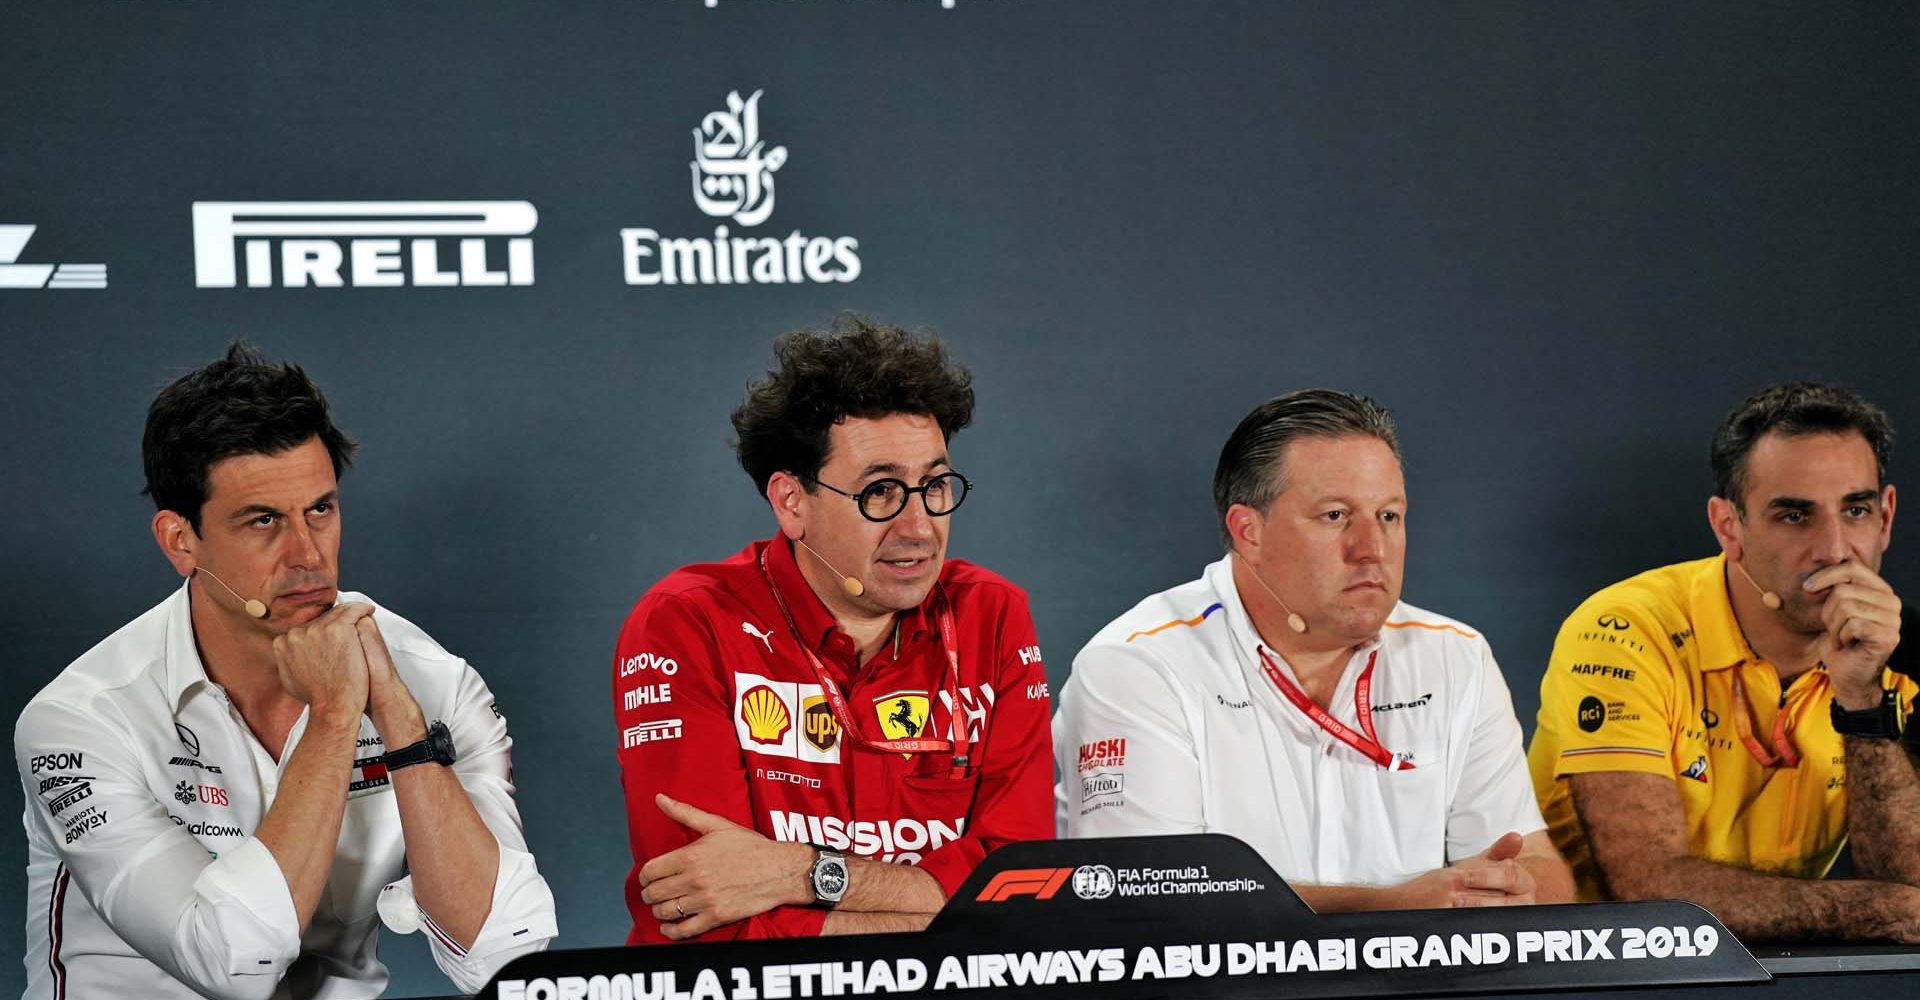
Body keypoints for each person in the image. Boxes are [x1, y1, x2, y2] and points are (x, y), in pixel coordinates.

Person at [14, 345, 557, 1000]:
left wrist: (400, 722)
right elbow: (231, 965)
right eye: (263, 520)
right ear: (180, 541)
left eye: (321, 510)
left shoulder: (432, 681)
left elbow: (505, 961)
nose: (307, 557)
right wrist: (334, 716)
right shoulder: (79, 719)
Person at [612, 317, 1053, 943]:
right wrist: (944, 914)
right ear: (791, 502)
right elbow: (707, 915)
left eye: (933, 485)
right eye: (881, 492)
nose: (921, 527)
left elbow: (1023, 895)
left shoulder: (993, 616)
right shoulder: (687, 623)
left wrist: (801, 873)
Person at [1054, 389, 1572, 910]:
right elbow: (1145, 899)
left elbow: (1533, 860)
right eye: (1335, 516)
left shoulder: (1456, 657)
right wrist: (1388, 911)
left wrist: (1517, 888)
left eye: (1389, 516)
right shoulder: (1138, 665)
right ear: (1248, 531)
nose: (1371, 549)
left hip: (1419, 991)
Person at [1529, 381, 1920, 940]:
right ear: (1728, 527)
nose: (1835, 548)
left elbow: (1912, 891)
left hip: (1783, 977)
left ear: (1885, 517)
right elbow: (1650, 892)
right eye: (1794, 516)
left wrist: (1862, 702)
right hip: (1595, 977)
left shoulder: (1902, 651)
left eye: (1855, 509)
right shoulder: (1625, 629)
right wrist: (1875, 911)